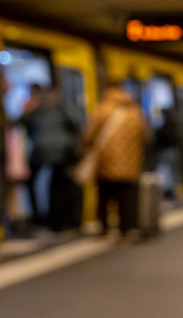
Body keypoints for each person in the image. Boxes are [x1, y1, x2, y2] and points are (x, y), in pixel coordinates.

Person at [86, 84, 147, 240]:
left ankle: (104, 229)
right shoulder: (135, 113)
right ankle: (125, 231)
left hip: (106, 163)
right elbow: (146, 137)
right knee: (125, 198)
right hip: (130, 165)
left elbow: (90, 135)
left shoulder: (103, 110)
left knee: (104, 197)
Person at [19, 84, 82, 232]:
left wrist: (26, 111)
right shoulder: (60, 106)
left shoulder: (34, 108)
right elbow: (75, 124)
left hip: (40, 150)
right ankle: (63, 221)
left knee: (31, 182)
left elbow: (22, 125)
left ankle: (39, 218)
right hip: (62, 151)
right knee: (58, 185)